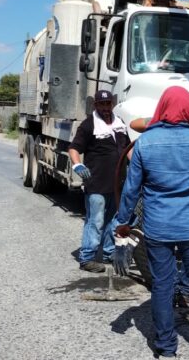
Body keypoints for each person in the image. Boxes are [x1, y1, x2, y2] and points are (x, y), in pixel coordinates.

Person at [114, 86, 189, 358]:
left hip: (157, 228)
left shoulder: (145, 142)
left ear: (164, 107)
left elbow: (131, 188)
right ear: (187, 109)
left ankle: (166, 348)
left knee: (162, 285)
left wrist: (123, 222)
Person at [69, 89, 130, 273]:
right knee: (95, 221)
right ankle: (87, 257)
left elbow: (128, 150)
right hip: (96, 183)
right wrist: (77, 165)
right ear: (95, 105)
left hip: (116, 184)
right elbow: (73, 148)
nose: (105, 107)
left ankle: (108, 253)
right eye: (101, 104)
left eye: (108, 103)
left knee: (113, 220)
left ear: (112, 104)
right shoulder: (89, 125)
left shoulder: (120, 124)